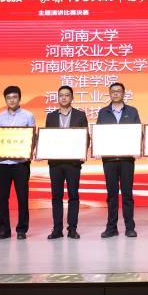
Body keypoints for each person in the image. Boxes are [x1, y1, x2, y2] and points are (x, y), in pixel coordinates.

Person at [96, 82, 141, 238]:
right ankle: (111, 227)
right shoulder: (103, 112)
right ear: (109, 94)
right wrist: (98, 149)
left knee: (127, 194)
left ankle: (130, 227)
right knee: (112, 195)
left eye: (118, 91)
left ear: (124, 93)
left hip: (126, 159)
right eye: (113, 91)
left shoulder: (132, 111)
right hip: (109, 160)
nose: (115, 93)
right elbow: (99, 134)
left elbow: (138, 133)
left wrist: (137, 149)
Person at [45, 85, 88, 239]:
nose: (64, 98)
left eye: (67, 95)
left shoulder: (80, 115)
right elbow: (47, 138)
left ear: (72, 98)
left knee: (73, 196)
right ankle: (57, 229)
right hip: (55, 163)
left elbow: (86, 137)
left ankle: (72, 229)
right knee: (56, 196)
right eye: (61, 95)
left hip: (73, 163)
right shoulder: (50, 116)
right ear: (57, 97)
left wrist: (82, 152)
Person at [0, 85, 35, 240]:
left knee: (22, 197)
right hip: (3, 163)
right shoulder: (0, 117)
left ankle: (21, 229)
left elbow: (32, 137)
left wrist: (30, 152)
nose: (12, 100)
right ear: (5, 100)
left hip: (21, 163)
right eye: (9, 98)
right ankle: (4, 230)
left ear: (19, 98)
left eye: (14, 97)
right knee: (2, 198)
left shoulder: (28, 116)